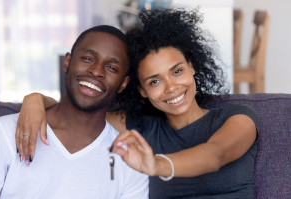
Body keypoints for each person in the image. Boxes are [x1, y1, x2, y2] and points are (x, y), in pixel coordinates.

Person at [15, 9, 258, 199]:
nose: (171, 87)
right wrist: (35, 100)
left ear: (192, 66)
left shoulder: (237, 118)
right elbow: (75, 114)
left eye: (177, 71)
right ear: (141, 90)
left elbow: (215, 155)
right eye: (155, 81)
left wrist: (156, 164)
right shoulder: (140, 127)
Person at [0, 25, 149, 199]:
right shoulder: (5, 131)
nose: (96, 71)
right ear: (67, 62)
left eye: (111, 68)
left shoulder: (130, 161)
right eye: (88, 58)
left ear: (124, 83)